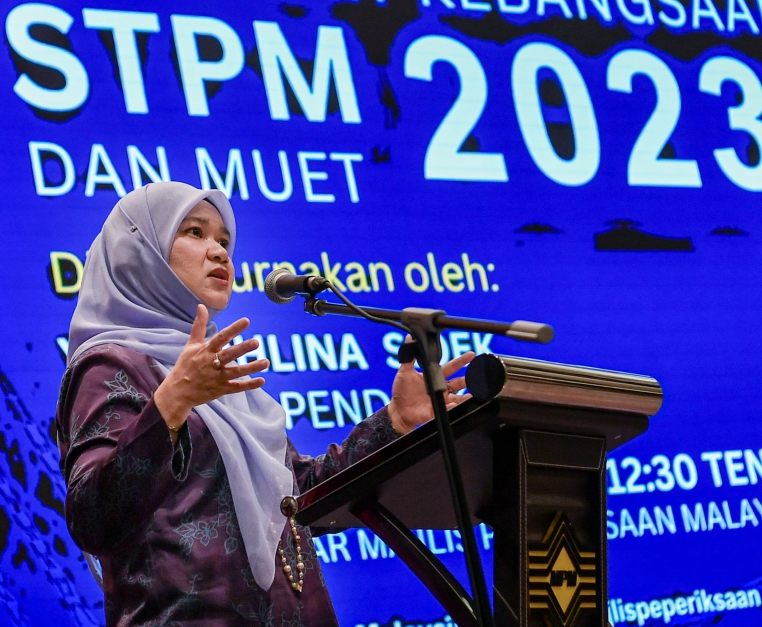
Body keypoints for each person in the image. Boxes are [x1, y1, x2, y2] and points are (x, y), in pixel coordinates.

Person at [55, 182, 474, 626]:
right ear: (139, 250)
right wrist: (171, 403)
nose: (218, 252)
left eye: (224, 240)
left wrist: (394, 423)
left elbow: (299, 493)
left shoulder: (213, 369)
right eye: (194, 232)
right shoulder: (109, 365)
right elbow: (93, 516)